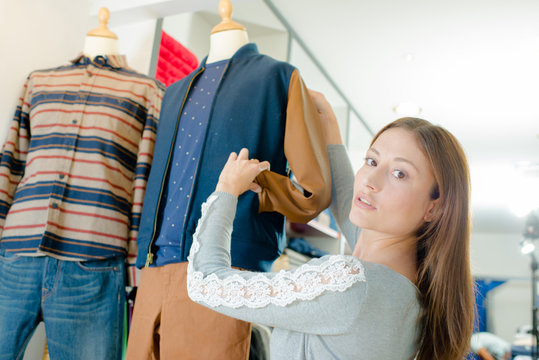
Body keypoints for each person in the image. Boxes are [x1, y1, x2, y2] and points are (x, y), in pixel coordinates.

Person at [186, 90, 475, 359]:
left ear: (434, 206)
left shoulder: (349, 285)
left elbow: (204, 283)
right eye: (371, 161)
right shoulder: (406, 290)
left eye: (400, 173)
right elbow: (352, 196)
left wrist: (225, 190)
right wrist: (329, 129)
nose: (370, 182)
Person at [0, 8, 164, 359]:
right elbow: (12, 162)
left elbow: (144, 186)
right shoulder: (38, 82)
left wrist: (135, 271)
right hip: (15, 255)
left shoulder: (147, 92)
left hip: (93, 262)